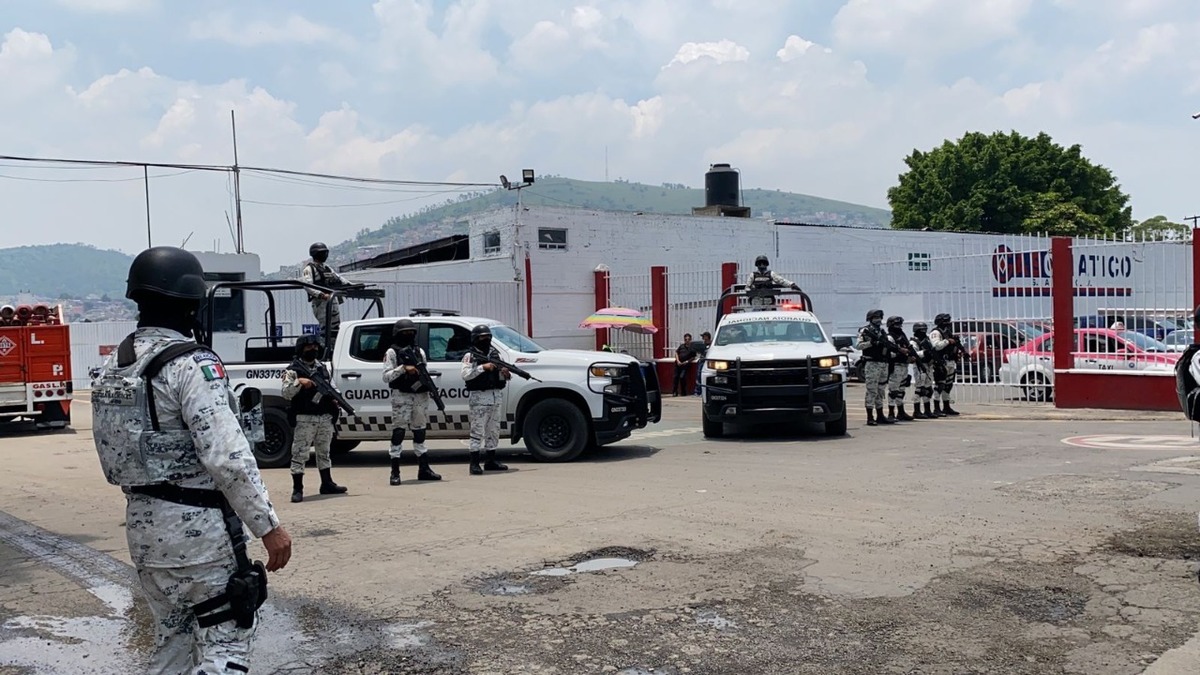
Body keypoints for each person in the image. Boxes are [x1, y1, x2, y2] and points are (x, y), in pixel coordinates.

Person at [90, 246, 291, 674]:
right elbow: (228, 457)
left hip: (145, 529)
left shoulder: (116, 366)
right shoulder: (190, 364)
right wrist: (268, 527)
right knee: (226, 643)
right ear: (191, 302)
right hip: (200, 536)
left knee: (174, 642)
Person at [281, 334, 349, 502]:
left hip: (324, 418)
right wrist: (300, 382)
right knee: (299, 454)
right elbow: (286, 393)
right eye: (309, 347)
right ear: (300, 349)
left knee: (324, 452)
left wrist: (336, 398)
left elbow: (333, 387)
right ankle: (298, 489)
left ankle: (327, 483)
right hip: (305, 419)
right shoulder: (292, 370)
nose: (313, 349)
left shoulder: (322, 368)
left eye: (315, 346)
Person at [382, 318, 442, 485]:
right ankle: (395, 472)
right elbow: (386, 377)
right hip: (401, 396)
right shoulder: (392, 352)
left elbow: (424, 370)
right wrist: (403, 369)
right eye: (405, 333)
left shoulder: (419, 351)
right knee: (399, 432)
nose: (408, 335)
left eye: (411, 333)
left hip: (420, 397)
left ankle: (424, 469)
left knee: (420, 431)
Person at [461, 325, 512, 475]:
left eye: (488, 337)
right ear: (476, 338)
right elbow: (465, 374)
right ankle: (474, 463)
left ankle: (491, 460)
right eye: (483, 337)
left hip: (496, 396)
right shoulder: (470, 356)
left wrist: (506, 373)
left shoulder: (495, 354)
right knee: (477, 430)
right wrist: (483, 367)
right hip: (479, 397)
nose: (486, 340)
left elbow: (503, 374)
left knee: (493, 430)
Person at [301, 242, 350, 345]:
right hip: (321, 302)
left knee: (335, 327)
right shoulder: (309, 269)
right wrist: (321, 295)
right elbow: (307, 285)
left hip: (332, 299)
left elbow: (338, 278)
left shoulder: (327, 268)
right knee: (325, 326)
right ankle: (325, 348)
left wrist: (351, 285)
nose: (325, 255)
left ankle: (333, 347)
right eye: (322, 253)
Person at [856, 309, 896, 426]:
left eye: (880, 317)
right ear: (870, 318)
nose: (878, 319)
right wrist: (872, 343)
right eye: (876, 317)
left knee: (881, 390)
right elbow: (858, 346)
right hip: (871, 363)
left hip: (883, 363)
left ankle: (880, 415)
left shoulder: (882, 332)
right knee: (871, 390)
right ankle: (870, 417)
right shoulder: (865, 331)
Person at [928, 313, 962, 416]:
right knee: (939, 385)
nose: (948, 323)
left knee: (948, 386)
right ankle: (937, 408)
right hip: (941, 362)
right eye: (946, 321)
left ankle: (946, 407)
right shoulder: (935, 332)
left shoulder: (948, 332)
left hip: (951, 362)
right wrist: (947, 341)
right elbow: (936, 346)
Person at [885, 316, 917, 422]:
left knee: (901, 390)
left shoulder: (902, 335)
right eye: (896, 325)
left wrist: (910, 356)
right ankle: (891, 413)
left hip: (904, 365)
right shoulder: (889, 337)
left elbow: (908, 348)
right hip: (896, 366)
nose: (898, 327)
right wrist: (901, 353)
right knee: (893, 390)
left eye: (899, 324)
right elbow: (890, 353)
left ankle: (901, 412)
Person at [909, 322, 937, 419]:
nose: (924, 332)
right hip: (919, 366)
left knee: (928, 388)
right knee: (920, 389)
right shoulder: (914, 342)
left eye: (924, 330)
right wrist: (924, 352)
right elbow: (914, 354)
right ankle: (916, 410)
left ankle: (927, 410)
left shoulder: (927, 339)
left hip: (928, 365)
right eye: (921, 330)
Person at [694, 331, 712, 397]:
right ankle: (697, 391)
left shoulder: (712, 344)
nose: (703, 338)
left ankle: (705, 392)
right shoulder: (702, 344)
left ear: (707, 337)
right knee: (699, 376)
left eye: (704, 337)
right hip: (701, 360)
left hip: (707, 361)